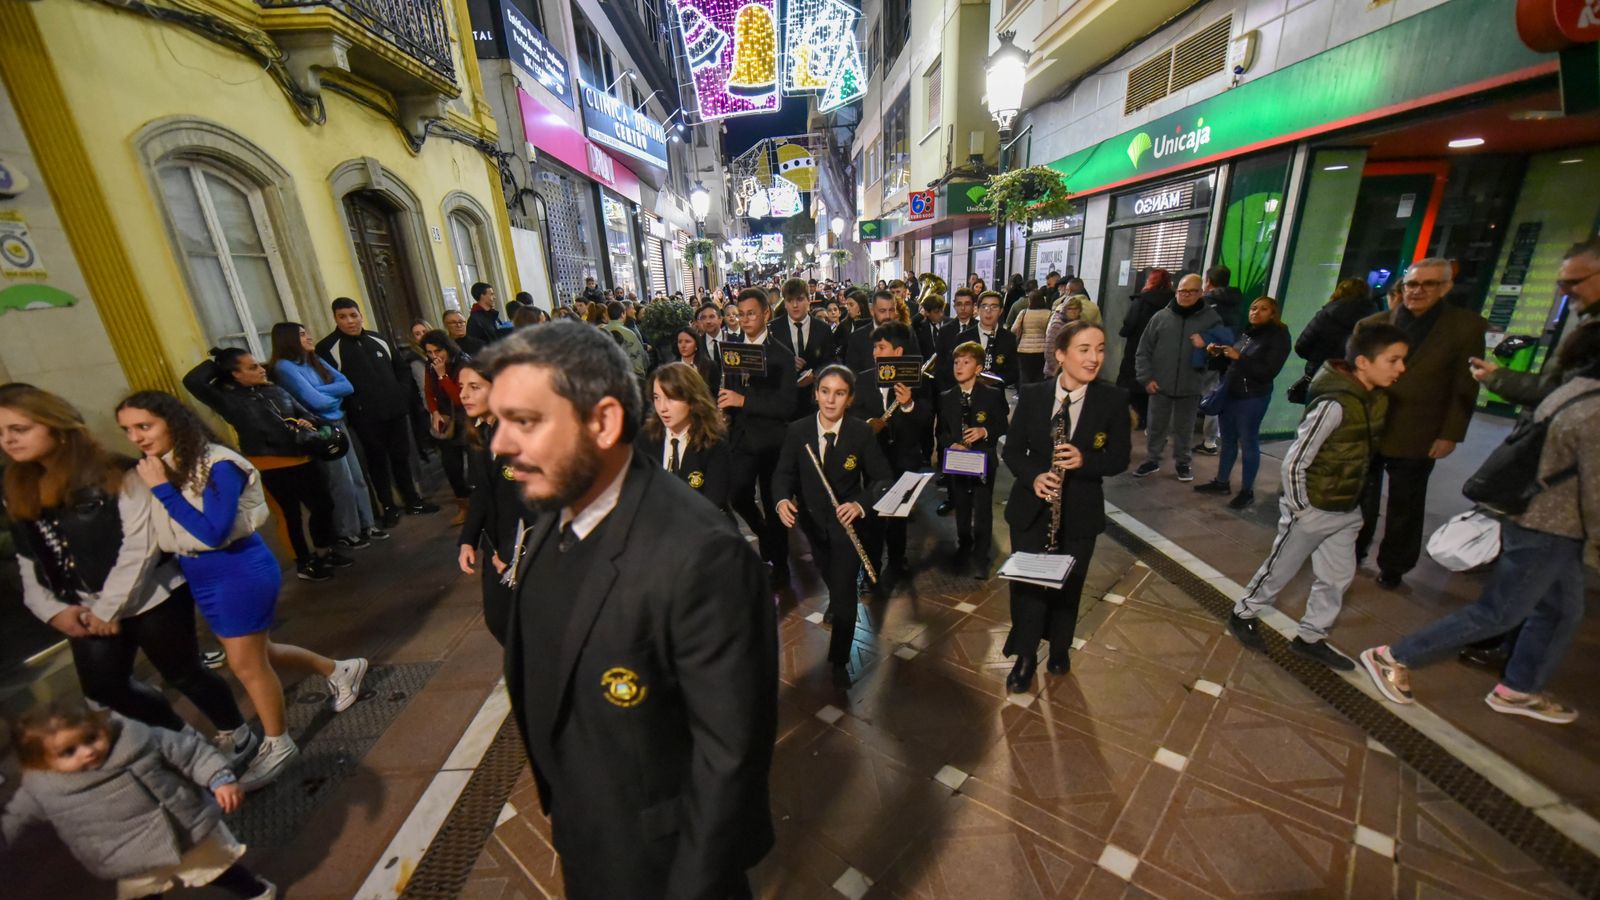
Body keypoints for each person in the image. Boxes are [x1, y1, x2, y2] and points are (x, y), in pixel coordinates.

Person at [483, 321, 776, 897]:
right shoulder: (554, 510)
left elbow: (730, 754)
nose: (501, 445)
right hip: (587, 827)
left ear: (603, 422)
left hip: (663, 858)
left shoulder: (703, 555)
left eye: (527, 422)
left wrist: (691, 885)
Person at [114, 392, 368, 789]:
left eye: (144, 426)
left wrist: (162, 488)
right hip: (200, 575)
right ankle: (340, 669)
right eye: (127, 430)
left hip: (237, 570)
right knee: (259, 653)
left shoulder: (217, 463)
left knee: (246, 664)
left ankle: (278, 743)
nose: (136, 438)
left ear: (172, 420)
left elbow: (214, 531)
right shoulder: (159, 465)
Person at [1361, 325, 1600, 724]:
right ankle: (1394, 657)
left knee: (1560, 610)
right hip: (1549, 524)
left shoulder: (1573, 391)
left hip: (1551, 521)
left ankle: (1519, 687)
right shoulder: (1592, 407)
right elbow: (1596, 487)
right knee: (1500, 612)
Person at [1, 387, 251, 751]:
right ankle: (184, 742)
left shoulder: (116, 472)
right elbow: (28, 556)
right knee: (103, 686)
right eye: (1, 432)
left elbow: (140, 547)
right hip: (82, 605)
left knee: (183, 672)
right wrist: (51, 610)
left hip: (152, 596)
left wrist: (108, 608)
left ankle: (237, 731)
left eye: (19, 429)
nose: (7, 440)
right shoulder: (15, 484)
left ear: (57, 426)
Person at [1227, 324, 1410, 670]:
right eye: (1393, 360)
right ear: (1363, 362)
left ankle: (1311, 637)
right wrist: (1301, 507)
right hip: (1314, 506)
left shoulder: (1375, 399)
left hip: (1346, 507)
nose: (1401, 368)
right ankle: (1243, 613)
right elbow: (1296, 460)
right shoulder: (1334, 404)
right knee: (1280, 569)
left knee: (1337, 578)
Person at [2, 703, 275, 899]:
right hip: (126, 855)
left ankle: (257, 892)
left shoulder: (136, 739)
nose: (87, 752)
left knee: (220, 870)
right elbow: (18, 814)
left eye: (91, 738)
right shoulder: (43, 787)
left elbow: (191, 753)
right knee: (140, 894)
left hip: (185, 831)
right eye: (69, 751)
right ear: (41, 762)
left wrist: (219, 778)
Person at [1001, 322, 1131, 692]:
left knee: (1068, 585)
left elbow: (1119, 458)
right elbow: (1013, 451)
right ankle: (1025, 656)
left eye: (1100, 349)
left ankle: (1060, 647)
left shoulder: (1112, 399)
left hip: (1079, 513)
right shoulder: (1033, 394)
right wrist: (1034, 477)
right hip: (1031, 510)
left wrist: (1085, 460)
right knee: (1028, 586)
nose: (1094, 358)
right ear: (1060, 354)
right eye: (1084, 349)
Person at [1354, 258, 1487, 589]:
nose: (1418, 291)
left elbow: (1464, 386)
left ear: (1446, 287)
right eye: (1412, 284)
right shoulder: (1372, 325)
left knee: (1406, 503)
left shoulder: (1465, 327)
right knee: (1359, 496)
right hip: (1369, 426)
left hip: (1419, 430)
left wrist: (1450, 433)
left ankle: (1394, 566)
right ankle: (1352, 552)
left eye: (1429, 284)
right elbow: (1354, 377)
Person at [182, 348, 348, 581]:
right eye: (252, 367)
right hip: (271, 464)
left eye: (258, 365)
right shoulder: (227, 399)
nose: (261, 369)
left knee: (323, 506)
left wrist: (308, 422)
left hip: (303, 457)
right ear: (235, 374)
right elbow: (193, 381)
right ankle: (304, 562)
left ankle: (324, 551)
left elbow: (307, 414)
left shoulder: (275, 389)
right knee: (289, 516)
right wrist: (219, 361)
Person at [775, 366, 894, 671]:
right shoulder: (797, 430)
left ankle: (839, 660)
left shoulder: (861, 432)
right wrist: (781, 499)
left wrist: (859, 504)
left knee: (844, 592)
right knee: (827, 571)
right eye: (825, 391)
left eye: (839, 393)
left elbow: (882, 478)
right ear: (815, 394)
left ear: (849, 398)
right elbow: (783, 474)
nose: (830, 400)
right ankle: (839, 597)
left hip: (847, 524)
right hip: (812, 523)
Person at [316, 298, 440, 526]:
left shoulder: (378, 339)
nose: (350, 321)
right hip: (365, 418)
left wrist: (401, 395)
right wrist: (355, 407)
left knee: (401, 457)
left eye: (353, 315)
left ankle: (412, 500)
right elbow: (329, 382)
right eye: (343, 317)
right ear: (335, 319)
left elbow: (401, 369)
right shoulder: (328, 347)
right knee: (377, 462)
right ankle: (388, 507)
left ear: (360, 315)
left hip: (395, 411)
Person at [269, 322, 385, 549]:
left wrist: (321, 391)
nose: (309, 337)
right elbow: (316, 402)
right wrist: (330, 395)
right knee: (340, 480)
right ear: (288, 339)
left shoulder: (313, 359)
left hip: (338, 421)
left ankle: (367, 524)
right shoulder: (284, 367)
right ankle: (347, 531)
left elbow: (347, 385)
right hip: (320, 427)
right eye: (302, 334)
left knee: (357, 476)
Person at [721, 287, 800, 582]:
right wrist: (725, 411)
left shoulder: (782, 354)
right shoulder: (731, 350)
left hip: (772, 442)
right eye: (740, 314)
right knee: (736, 493)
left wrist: (744, 401)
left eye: (751, 314)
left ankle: (780, 566)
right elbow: (731, 390)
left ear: (766, 314)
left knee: (772, 501)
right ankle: (763, 532)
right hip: (741, 438)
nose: (744, 319)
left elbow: (787, 406)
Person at [1470, 238, 1600, 408]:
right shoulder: (1589, 324)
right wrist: (1496, 376)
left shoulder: (1594, 333)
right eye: (1561, 283)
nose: (1562, 292)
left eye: (1573, 282)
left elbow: (1562, 395)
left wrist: (1497, 378)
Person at [849, 323, 933, 577]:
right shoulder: (863, 379)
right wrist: (868, 424)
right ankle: (872, 566)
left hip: (904, 457)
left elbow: (926, 420)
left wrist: (908, 405)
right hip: (874, 460)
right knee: (872, 514)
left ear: (897, 352)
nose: (875, 352)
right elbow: (853, 414)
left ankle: (897, 560)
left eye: (881, 347)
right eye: (874, 347)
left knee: (898, 514)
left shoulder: (918, 379)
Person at [1193, 297, 1292, 509]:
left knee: (1248, 442)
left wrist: (1239, 357)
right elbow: (1234, 361)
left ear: (1273, 314)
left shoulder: (1278, 336)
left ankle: (1247, 491)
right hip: (1231, 392)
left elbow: (1267, 371)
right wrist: (1218, 353)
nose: (1256, 312)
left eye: (1263, 309)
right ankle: (1222, 482)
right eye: (1253, 308)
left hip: (1252, 396)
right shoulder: (1248, 332)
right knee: (1228, 441)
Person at [1132, 273, 1223, 482]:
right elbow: (1143, 351)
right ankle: (1152, 459)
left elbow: (1222, 348)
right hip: (1159, 383)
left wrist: (1210, 348)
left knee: (1185, 428)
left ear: (1200, 293)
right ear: (1176, 292)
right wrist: (1146, 378)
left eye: (1191, 291)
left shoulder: (1211, 319)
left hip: (1190, 384)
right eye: (1182, 291)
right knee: (1156, 426)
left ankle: (1183, 462)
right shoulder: (1161, 317)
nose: (1186, 295)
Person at [455, 361, 522, 645]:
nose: (464, 395)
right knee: (499, 620)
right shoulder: (480, 432)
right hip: (496, 546)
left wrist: (512, 554)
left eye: (474, 387)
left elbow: (537, 504)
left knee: (529, 623)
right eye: (461, 387)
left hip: (524, 547)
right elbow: (481, 493)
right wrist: (467, 540)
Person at [938, 341, 1009, 577]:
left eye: (966, 362)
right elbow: (942, 431)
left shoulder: (992, 395)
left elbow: (1002, 424)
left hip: (983, 459)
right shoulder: (947, 397)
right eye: (956, 362)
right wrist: (951, 444)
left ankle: (981, 556)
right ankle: (964, 544)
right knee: (961, 504)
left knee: (982, 508)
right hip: (958, 460)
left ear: (978, 368)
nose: (959, 367)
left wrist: (984, 431)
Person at [642, 362, 732, 510]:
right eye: (657, 398)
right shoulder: (644, 439)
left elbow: (712, 505)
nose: (662, 408)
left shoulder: (714, 444)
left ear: (692, 399)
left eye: (671, 398)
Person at [420, 330, 474, 524]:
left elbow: (460, 399)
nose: (434, 356)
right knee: (451, 466)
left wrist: (442, 375)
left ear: (447, 348)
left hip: (467, 419)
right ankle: (463, 506)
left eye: (438, 351)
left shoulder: (463, 363)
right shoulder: (430, 366)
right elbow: (429, 391)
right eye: (429, 352)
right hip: (448, 421)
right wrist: (434, 412)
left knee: (476, 465)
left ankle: (483, 505)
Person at [1292, 278, 1377, 390]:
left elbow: (1301, 346)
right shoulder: (1375, 320)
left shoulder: (1326, 315)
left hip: (1320, 374)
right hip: (1352, 380)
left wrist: (1317, 358)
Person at [1118, 268, 1173, 429]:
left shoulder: (1141, 301)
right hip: (1160, 351)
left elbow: (1129, 324)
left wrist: (1125, 332)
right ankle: (1149, 421)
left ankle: (1134, 418)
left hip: (1136, 347)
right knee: (1151, 385)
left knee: (1133, 382)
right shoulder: (1172, 303)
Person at [774, 278, 833, 414]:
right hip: (783, 402)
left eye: (800, 299)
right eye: (789, 300)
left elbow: (830, 361)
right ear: (785, 303)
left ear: (808, 300)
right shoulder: (773, 329)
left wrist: (815, 375)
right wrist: (787, 362)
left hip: (814, 401)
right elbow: (768, 365)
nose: (795, 305)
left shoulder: (823, 329)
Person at [1042, 294, 1102, 378]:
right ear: (1065, 310)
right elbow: (1050, 349)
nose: (1073, 311)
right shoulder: (1057, 324)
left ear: (1080, 310)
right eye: (1070, 309)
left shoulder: (1081, 324)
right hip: (1056, 370)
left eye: (1076, 309)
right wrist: (1058, 368)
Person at [1011, 290, 1053, 383]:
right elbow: (1050, 331)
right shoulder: (1049, 313)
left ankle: (1025, 391)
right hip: (1042, 349)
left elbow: (1014, 329)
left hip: (1024, 349)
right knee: (1039, 376)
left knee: (1025, 375)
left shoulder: (1024, 312)